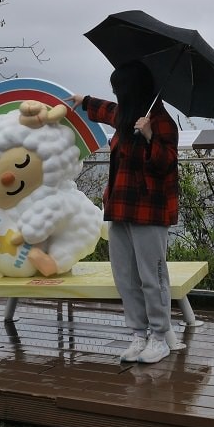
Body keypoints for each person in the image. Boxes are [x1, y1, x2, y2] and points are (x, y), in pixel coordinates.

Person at [68, 61, 179, 364]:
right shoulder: (126, 115)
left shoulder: (161, 122)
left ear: (133, 90)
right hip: (119, 207)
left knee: (151, 276)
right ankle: (137, 334)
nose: (117, 95)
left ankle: (159, 337)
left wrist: (150, 137)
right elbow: (107, 109)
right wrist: (84, 101)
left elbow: (166, 164)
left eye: (120, 90)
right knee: (126, 276)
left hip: (149, 211)